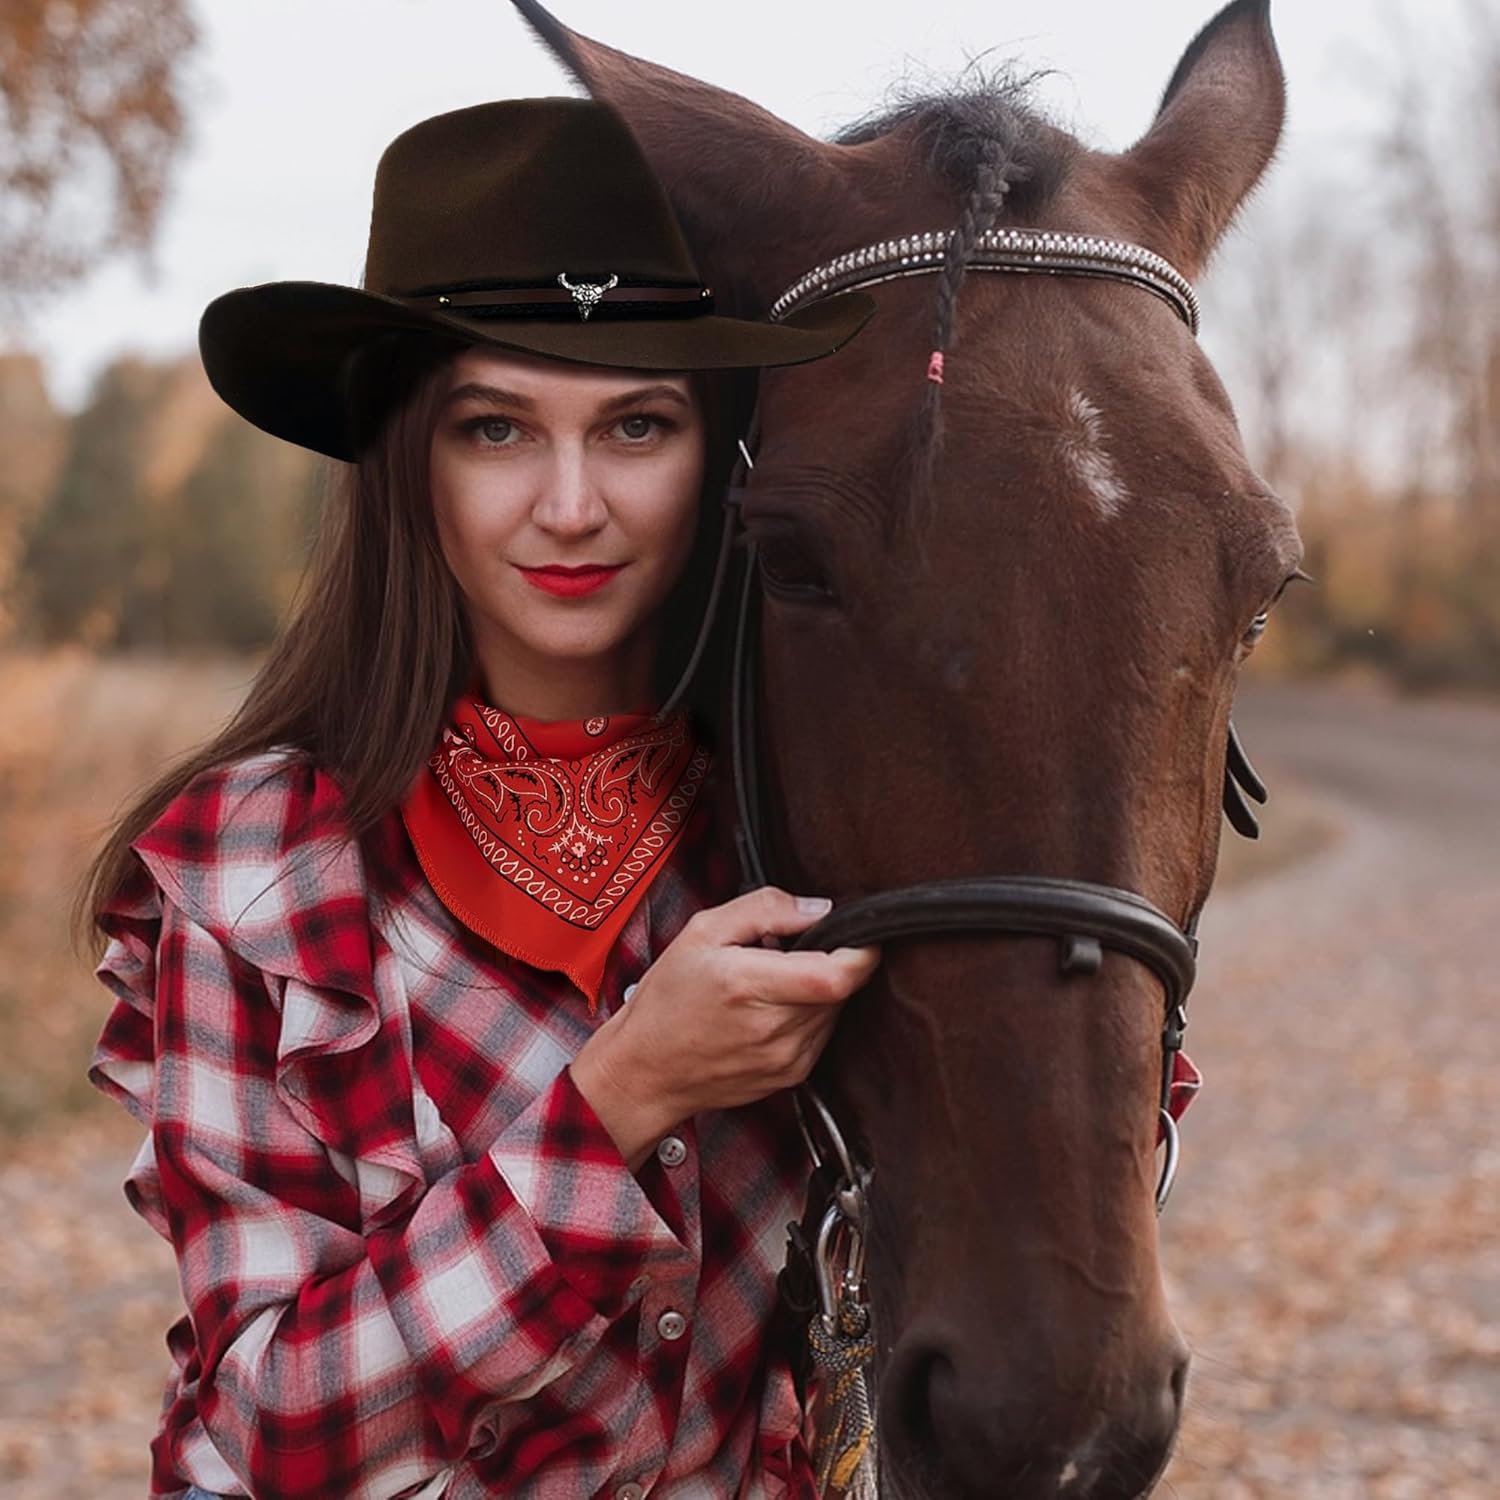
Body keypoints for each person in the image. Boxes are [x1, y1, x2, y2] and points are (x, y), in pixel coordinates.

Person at [84, 97, 881, 1500]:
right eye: (498, 428)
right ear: (413, 463)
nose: (570, 506)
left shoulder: (802, 827)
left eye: (636, 424)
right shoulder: (253, 873)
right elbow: (279, 1427)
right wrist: (624, 1096)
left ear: (720, 457)